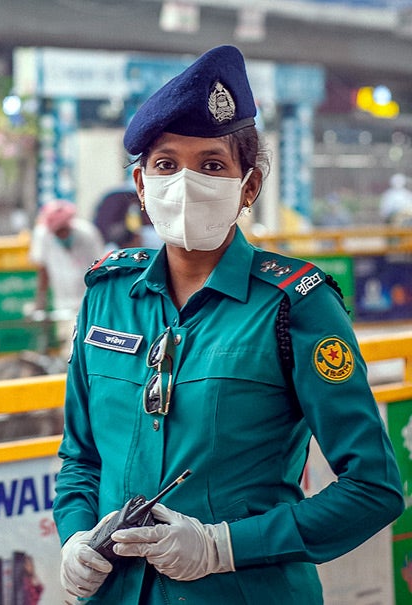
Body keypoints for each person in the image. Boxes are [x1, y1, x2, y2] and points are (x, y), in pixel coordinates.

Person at [54, 45, 403, 605]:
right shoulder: (107, 296)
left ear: (249, 187)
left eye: (212, 165)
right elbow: (81, 457)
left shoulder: (294, 304)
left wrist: (223, 546)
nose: (186, 183)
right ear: (141, 187)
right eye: (166, 164)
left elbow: (374, 490)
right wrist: (74, 537)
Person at [29, 199, 105, 327]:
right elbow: (43, 270)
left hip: (89, 301)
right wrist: (40, 303)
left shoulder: (87, 233)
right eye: (58, 232)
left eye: (64, 230)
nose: (62, 235)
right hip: (63, 304)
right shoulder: (42, 236)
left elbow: (100, 268)